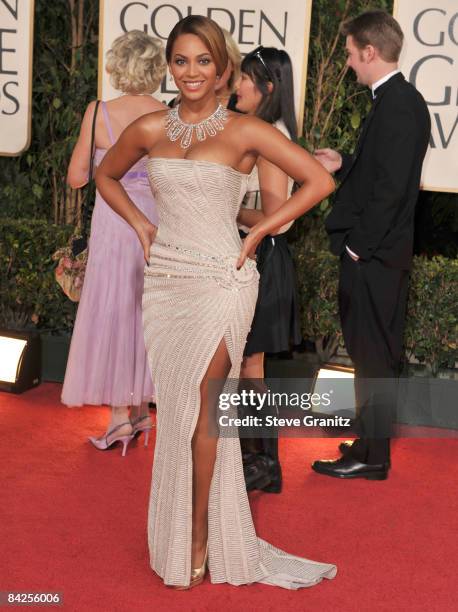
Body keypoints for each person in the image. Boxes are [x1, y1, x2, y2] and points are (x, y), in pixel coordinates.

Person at [96, 15, 336, 589]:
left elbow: (318, 183)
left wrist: (257, 233)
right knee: (176, 413)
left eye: (203, 61)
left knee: (206, 406)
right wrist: (140, 226)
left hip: (223, 282)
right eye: (181, 61)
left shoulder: (246, 131)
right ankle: (181, 528)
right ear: (169, 68)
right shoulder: (152, 127)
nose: (191, 72)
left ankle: (200, 536)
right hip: (166, 283)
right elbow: (105, 176)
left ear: (223, 67)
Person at [312, 10, 431, 480]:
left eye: (348, 53)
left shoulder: (399, 103)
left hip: (374, 256)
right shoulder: (395, 100)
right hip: (376, 254)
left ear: (369, 51)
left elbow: (393, 191)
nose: (346, 63)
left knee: (374, 356)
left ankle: (373, 456)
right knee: (370, 355)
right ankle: (369, 442)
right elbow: (383, 172)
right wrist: (345, 162)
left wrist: (358, 248)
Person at [62, 30, 166, 455]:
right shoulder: (168, 114)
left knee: (116, 311)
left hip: (113, 222)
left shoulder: (99, 112)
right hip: (155, 224)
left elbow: (76, 178)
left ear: (117, 65)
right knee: (148, 312)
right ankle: (140, 410)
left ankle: (121, 419)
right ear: (158, 69)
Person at [235, 46, 302, 493]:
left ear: (268, 89)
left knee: (249, 364)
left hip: (265, 258)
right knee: (246, 364)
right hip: (258, 258)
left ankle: (261, 462)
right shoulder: (264, 132)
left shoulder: (270, 140)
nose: (236, 86)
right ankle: (258, 459)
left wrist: (227, 209)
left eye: (244, 79)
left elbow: (280, 217)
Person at [168, 27, 241, 109]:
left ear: (233, 65)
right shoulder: (175, 105)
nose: (212, 70)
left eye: (219, 60)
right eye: (204, 61)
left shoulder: (243, 105)